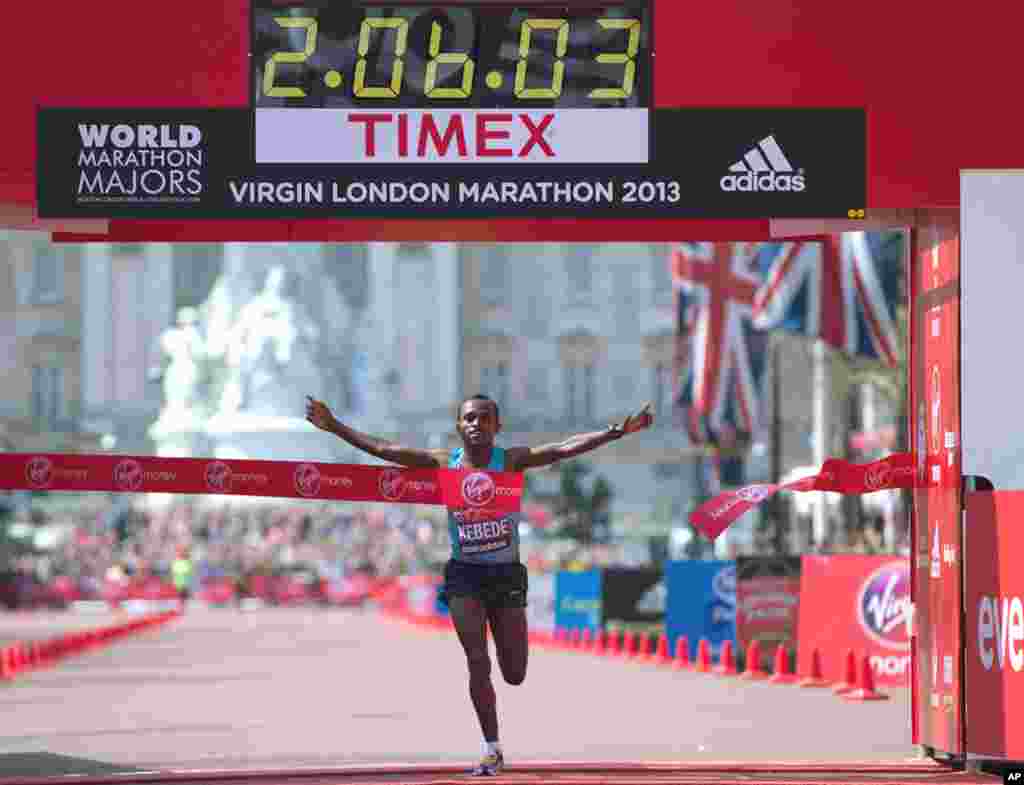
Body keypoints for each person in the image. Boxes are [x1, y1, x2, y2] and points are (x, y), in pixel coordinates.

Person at [306, 392, 653, 775]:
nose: (476, 423)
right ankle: (492, 747)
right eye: (469, 418)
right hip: (465, 574)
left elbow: (562, 448)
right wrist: (334, 425)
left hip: (505, 574)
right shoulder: (443, 463)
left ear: (497, 426)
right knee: (476, 660)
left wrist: (617, 431)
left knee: (515, 673)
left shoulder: (512, 460)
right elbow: (386, 449)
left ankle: (498, 721)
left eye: (484, 418)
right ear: (459, 426)